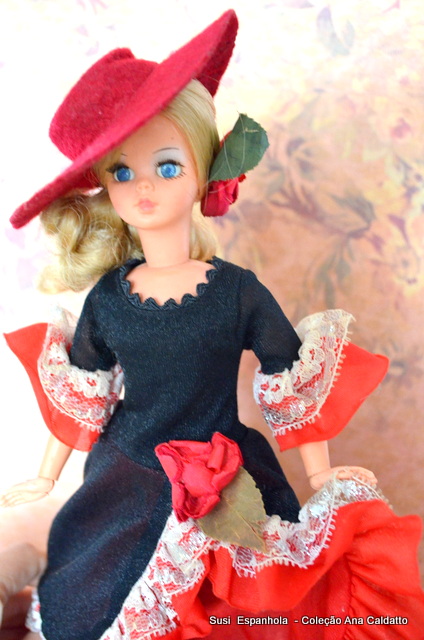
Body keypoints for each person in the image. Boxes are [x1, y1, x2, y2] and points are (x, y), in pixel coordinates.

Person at [1, 10, 423, 640]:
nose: (144, 187)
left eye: (167, 166)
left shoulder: (235, 291)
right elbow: (84, 392)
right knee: (92, 600)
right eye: (122, 172)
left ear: (206, 169)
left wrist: (319, 474)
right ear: (106, 187)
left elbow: (287, 372)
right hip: (126, 476)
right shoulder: (109, 299)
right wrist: (46, 473)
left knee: (245, 598)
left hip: (228, 473)